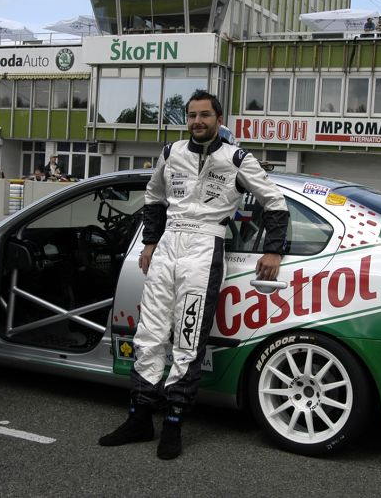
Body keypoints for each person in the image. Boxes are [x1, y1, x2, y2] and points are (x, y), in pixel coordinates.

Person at [98, 90, 289, 459]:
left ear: (219, 118)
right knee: (149, 334)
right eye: (191, 116)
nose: (197, 121)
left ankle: (173, 422)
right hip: (168, 244)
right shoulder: (171, 153)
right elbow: (153, 198)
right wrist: (151, 242)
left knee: (187, 338)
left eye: (205, 115)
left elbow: (275, 203)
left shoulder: (236, 158)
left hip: (205, 248)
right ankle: (139, 417)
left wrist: (273, 249)